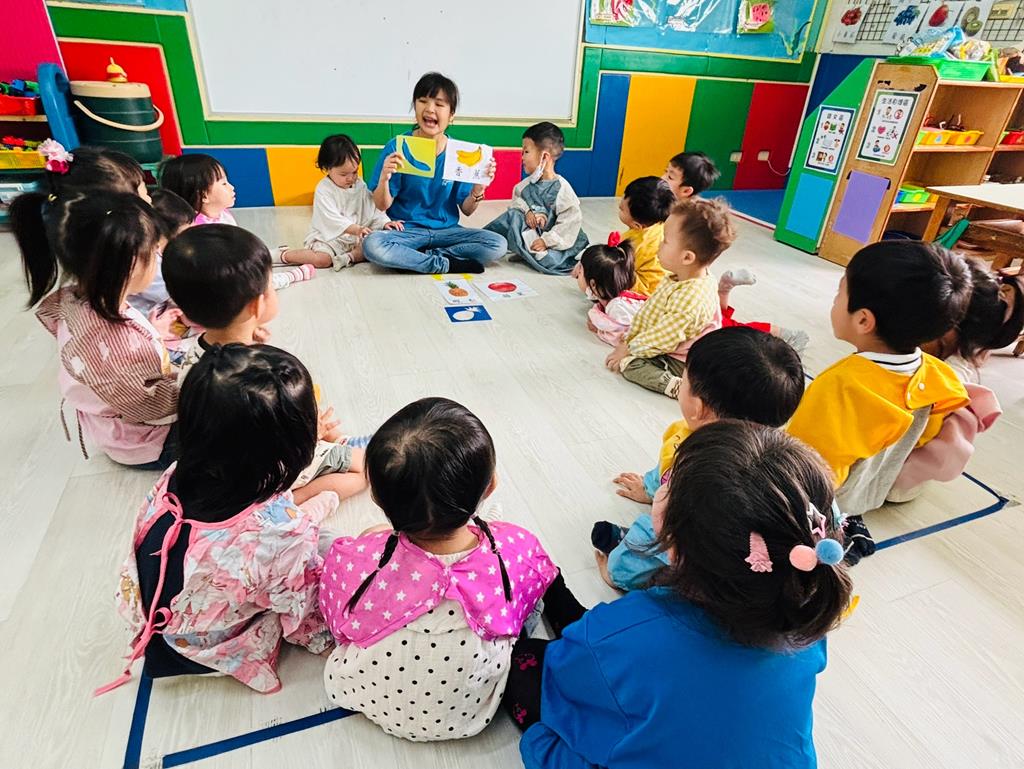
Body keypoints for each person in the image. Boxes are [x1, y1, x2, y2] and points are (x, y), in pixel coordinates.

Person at [513, 421, 854, 769]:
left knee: (525, 669)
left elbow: (567, 679)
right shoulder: (806, 620)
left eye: (669, 482)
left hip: (616, 669)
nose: (661, 489)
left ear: (676, 549)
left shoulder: (626, 631)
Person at [320, 397, 585, 742]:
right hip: (470, 713)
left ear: (378, 498)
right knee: (536, 585)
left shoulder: (361, 559)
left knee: (370, 541)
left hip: (366, 695)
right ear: (491, 485)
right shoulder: (513, 546)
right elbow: (533, 583)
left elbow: (337, 617)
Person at [100, 345, 337, 696]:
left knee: (292, 544)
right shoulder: (283, 534)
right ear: (294, 447)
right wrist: (327, 639)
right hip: (211, 649)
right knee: (332, 548)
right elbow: (300, 610)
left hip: (162, 624)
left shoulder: (175, 475)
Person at [787, 240, 973, 564]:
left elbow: (808, 465)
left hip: (826, 496)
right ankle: (849, 518)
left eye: (840, 292)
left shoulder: (841, 386)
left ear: (863, 320)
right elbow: (925, 436)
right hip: (872, 488)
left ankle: (831, 528)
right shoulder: (935, 373)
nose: (835, 300)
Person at [162, 225, 367, 505]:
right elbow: (264, 444)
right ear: (256, 306)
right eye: (271, 285)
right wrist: (311, 436)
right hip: (264, 468)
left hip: (230, 458)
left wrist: (249, 331)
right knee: (362, 469)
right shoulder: (250, 380)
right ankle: (286, 501)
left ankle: (336, 442)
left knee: (314, 405)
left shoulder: (196, 361)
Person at [594, 326, 805, 591]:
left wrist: (617, 571)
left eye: (684, 380)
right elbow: (666, 468)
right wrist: (649, 488)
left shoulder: (699, 474)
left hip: (710, 566)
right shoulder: (784, 459)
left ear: (698, 407)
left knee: (650, 545)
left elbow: (659, 533)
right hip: (759, 563)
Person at [12, 189, 178, 469]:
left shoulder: (79, 298)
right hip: (148, 442)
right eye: (154, 252)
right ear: (130, 263)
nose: (158, 257)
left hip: (122, 424)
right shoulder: (108, 336)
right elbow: (151, 406)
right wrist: (195, 381)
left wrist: (152, 331)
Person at [890, 263, 1024, 501]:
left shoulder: (941, 379)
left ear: (951, 328)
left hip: (893, 481)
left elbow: (905, 439)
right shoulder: (958, 353)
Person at [362, 72, 508, 274]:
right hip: (406, 231)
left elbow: (467, 210)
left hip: (447, 232)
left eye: (439, 104)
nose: (430, 109)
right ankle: (443, 263)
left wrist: (478, 189)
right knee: (372, 244)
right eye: (423, 101)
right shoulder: (398, 147)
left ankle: (419, 258)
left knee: (497, 244)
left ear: (451, 114)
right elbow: (381, 205)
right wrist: (384, 178)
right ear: (415, 106)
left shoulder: (458, 153)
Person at [605, 197, 735, 398]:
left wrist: (630, 349)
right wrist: (631, 337)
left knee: (630, 365)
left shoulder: (691, 299)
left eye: (665, 240)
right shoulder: (681, 276)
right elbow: (651, 313)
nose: (659, 244)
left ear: (687, 257)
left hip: (684, 361)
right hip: (672, 345)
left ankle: (677, 386)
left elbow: (664, 338)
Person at [159, 154, 315, 289]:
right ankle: (285, 277)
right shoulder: (197, 230)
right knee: (253, 284)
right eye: (224, 184)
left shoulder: (221, 214)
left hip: (233, 263)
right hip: (222, 278)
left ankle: (273, 256)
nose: (232, 187)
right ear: (204, 195)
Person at [284, 134, 402, 271]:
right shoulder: (324, 190)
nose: (351, 178)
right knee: (322, 260)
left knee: (374, 245)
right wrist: (356, 229)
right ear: (327, 168)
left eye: (354, 172)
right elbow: (331, 219)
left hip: (356, 238)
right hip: (331, 238)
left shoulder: (359, 185)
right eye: (344, 174)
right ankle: (284, 255)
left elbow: (372, 209)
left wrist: (384, 222)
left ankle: (348, 258)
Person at [483, 121, 588, 274]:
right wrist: (527, 212)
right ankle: (483, 240)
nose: (522, 157)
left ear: (544, 156)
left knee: (549, 259)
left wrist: (546, 241)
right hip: (532, 234)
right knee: (513, 216)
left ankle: (528, 253)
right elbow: (516, 204)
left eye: (526, 152)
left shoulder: (562, 189)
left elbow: (570, 221)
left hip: (554, 242)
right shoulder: (523, 186)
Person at [577, 234, 646, 346]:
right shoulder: (611, 300)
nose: (577, 276)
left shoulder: (617, 306)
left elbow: (623, 338)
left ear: (593, 284)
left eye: (580, 272)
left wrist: (599, 331)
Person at [616, 176, 676, 296]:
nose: (620, 203)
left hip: (645, 290)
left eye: (621, 209)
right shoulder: (662, 226)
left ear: (637, 225)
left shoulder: (634, 242)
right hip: (666, 285)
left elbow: (617, 265)